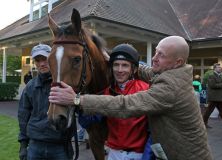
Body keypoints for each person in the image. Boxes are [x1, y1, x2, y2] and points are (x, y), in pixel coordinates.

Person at [49, 36, 213, 159]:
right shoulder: (170, 73)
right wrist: (113, 57)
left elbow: (125, 105)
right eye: (155, 52)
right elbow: (146, 71)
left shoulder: (170, 88)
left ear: (177, 62)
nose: (154, 58)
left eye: (161, 55)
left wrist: (77, 100)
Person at [78, 44, 153, 160]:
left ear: (134, 69)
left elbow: (153, 130)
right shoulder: (107, 92)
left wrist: (147, 157)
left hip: (138, 155)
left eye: (125, 65)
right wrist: (78, 104)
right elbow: (88, 122)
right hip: (113, 154)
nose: (119, 70)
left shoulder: (146, 89)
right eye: (116, 65)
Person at [18, 44, 74, 160]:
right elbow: (23, 117)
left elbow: (75, 111)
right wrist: (23, 145)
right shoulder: (30, 87)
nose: (41, 63)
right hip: (35, 146)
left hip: (59, 147)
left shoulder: (64, 85)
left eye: (45, 59)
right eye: (37, 60)